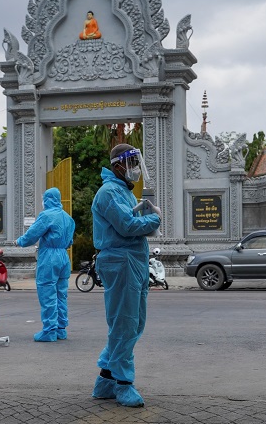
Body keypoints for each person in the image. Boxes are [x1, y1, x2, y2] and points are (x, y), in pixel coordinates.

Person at [90, 144, 161, 407]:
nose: (135, 169)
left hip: (132, 261)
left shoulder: (123, 191)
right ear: (118, 165)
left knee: (132, 323)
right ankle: (123, 383)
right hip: (121, 261)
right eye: (131, 163)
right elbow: (127, 225)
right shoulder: (109, 192)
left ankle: (105, 381)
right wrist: (154, 220)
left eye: (136, 163)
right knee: (124, 324)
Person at [16, 187, 76, 342]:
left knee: (47, 293)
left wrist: (19, 242)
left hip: (50, 257)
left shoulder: (46, 216)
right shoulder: (68, 218)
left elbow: (32, 235)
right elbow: (70, 241)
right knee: (61, 294)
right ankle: (61, 329)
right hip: (64, 256)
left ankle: (49, 330)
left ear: (48, 200)